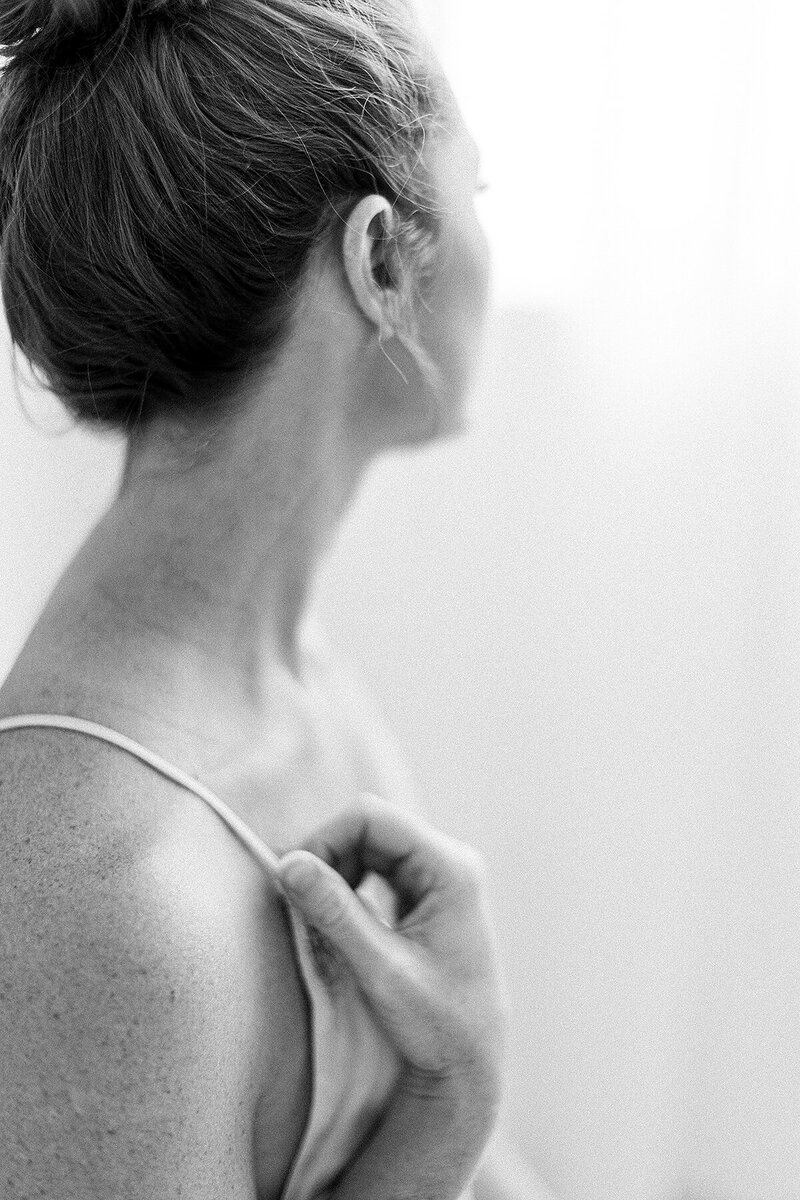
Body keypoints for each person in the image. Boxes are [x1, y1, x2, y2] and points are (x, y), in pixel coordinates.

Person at [0, 0, 552, 1195]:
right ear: (377, 259)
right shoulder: (104, 904)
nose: (490, 251)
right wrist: (445, 1101)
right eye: (480, 193)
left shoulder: (286, 668)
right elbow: (442, 1119)